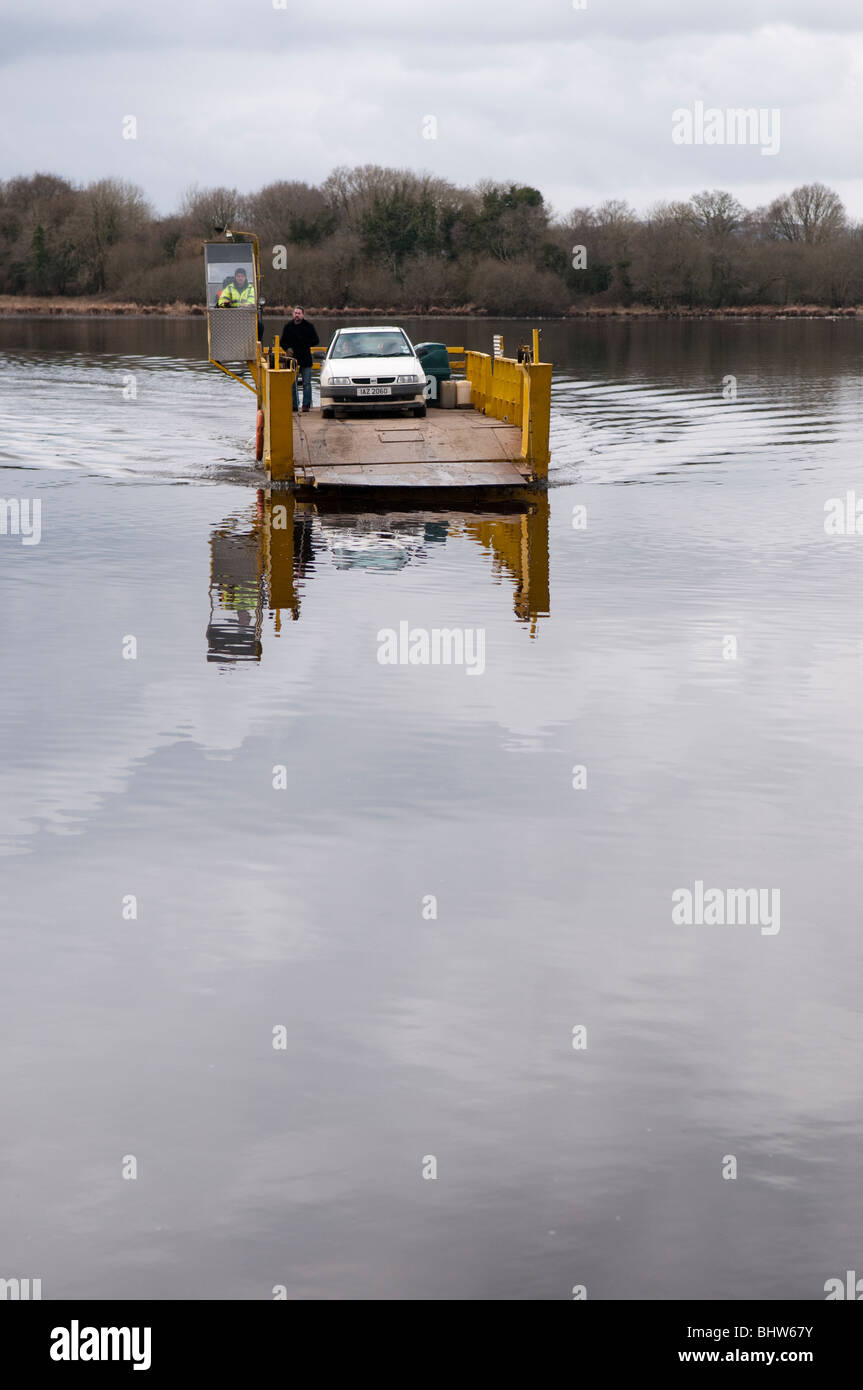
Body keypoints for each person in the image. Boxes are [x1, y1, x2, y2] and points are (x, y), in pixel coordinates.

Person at [280, 306, 319, 412]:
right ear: (293, 314)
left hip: (306, 359)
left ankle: (306, 405)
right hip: (292, 360)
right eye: (295, 313)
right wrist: (288, 348)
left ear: (303, 314)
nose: (297, 315)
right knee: (293, 384)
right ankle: (294, 405)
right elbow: (282, 342)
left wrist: (305, 343)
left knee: (307, 383)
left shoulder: (309, 326)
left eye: (299, 313)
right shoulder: (288, 326)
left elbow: (316, 340)